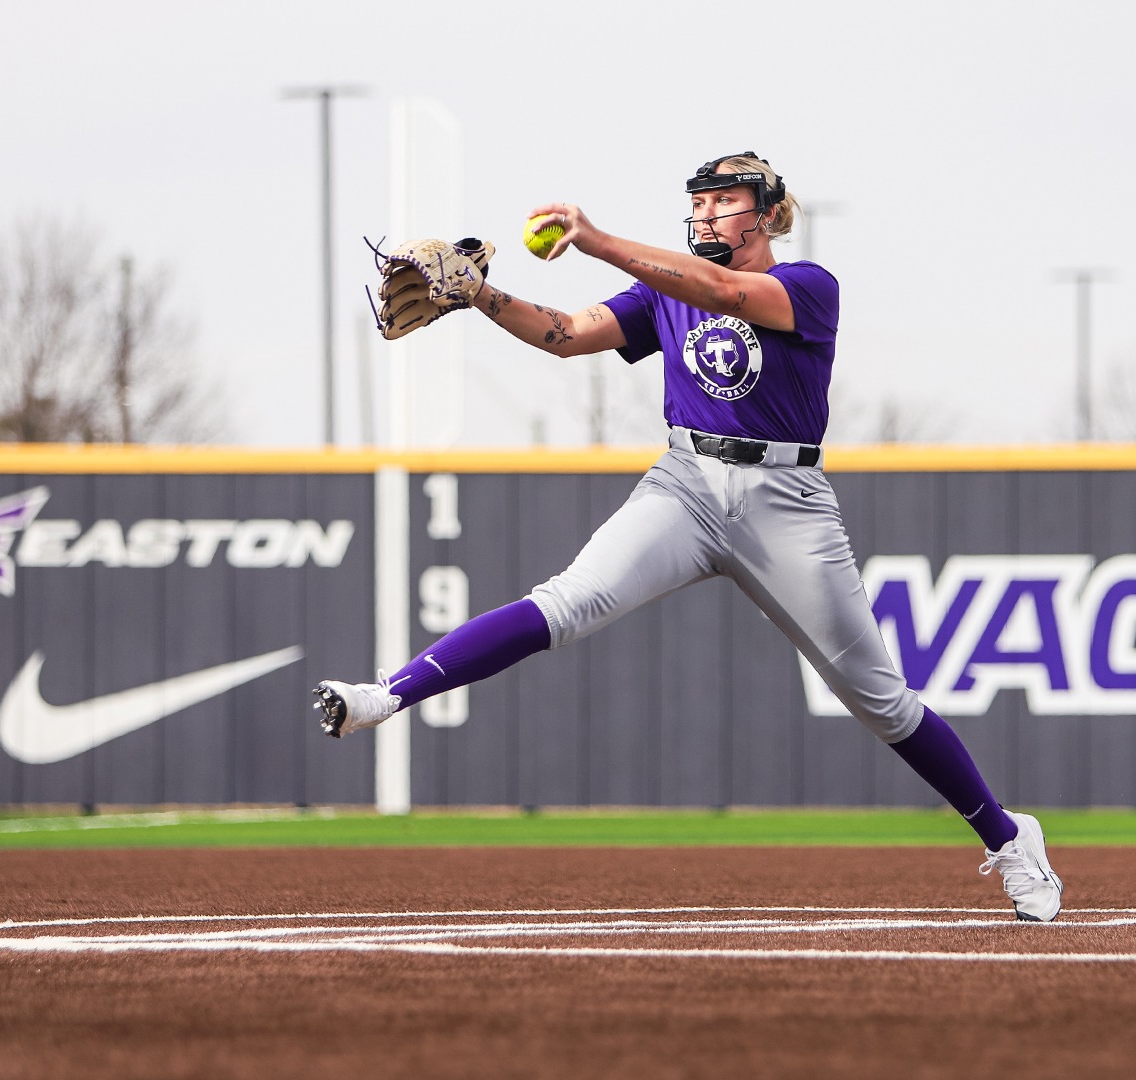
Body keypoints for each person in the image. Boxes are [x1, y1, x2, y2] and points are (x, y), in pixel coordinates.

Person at [314, 153, 1062, 921]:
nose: (706, 214)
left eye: (724, 201)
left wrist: (595, 240)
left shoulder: (808, 285)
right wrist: (480, 295)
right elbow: (566, 334)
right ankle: (387, 695)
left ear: (768, 215)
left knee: (879, 701)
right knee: (566, 602)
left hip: (786, 500)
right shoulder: (661, 291)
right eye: (699, 203)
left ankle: (1009, 839)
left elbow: (727, 292)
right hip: (685, 483)